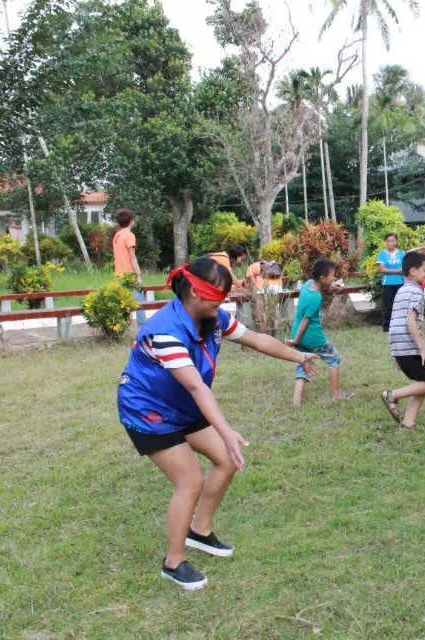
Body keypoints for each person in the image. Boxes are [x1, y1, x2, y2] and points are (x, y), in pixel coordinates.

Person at [116, 257, 319, 589]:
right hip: (149, 410)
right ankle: (173, 561)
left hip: (181, 403)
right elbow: (196, 385)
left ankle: (200, 530)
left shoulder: (213, 318)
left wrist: (299, 356)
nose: (223, 303)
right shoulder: (165, 331)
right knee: (190, 479)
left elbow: (256, 339)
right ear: (195, 292)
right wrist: (226, 431)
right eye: (218, 295)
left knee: (226, 461)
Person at [379, 251, 425, 430]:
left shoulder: (401, 291)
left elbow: (396, 322)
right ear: (413, 271)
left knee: (424, 382)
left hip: (400, 345)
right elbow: (410, 321)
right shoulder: (415, 291)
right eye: (424, 270)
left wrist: (398, 351)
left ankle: (408, 424)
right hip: (410, 346)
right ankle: (392, 395)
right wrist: (423, 349)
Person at [286, 259, 352, 403]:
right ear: (322, 278)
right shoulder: (316, 298)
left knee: (304, 363)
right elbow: (306, 320)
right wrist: (296, 340)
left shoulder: (308, 284)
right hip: (312, 337)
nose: (334, 278)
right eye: (332, 276)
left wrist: (296, 339)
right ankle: (336, 395)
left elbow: (302, 319)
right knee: (334, 358)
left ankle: (296, 402)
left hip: (297, 332)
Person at [112, 208, 146, 326]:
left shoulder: (117, 235)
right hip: (129, 275)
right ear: (131, 220)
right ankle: (142, 328)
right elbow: (132, 257)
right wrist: (138, 275)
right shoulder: (129, 235)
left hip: (119, 274)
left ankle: (123, 327)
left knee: (124, 303)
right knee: (139, 303)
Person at [376, 233, 405, 332]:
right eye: (388, 241)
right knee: (388, 305)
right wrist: (397, 271)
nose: (390, 243)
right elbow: (382, 269)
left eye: (393, 241)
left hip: (400, 282)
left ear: (396, 242)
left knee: (401, 305)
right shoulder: (382, 254)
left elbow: (405, 268)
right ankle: (386, 326)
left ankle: (401, 325)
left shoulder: (402, 253)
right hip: (388, 283)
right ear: (385, 242)